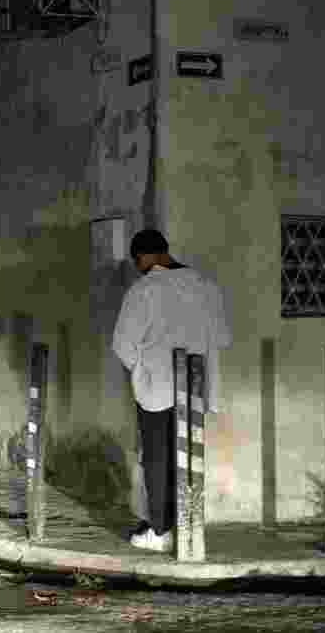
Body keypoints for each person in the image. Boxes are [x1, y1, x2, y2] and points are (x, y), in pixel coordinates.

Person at [112, 229, 231, 552]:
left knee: (157, 459)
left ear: (145, 256)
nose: (140, 268)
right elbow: (222, 338)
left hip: (156, 389)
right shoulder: (207, 287)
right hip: (196, 387)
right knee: (190, 457)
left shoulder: (144, 290)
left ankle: (161, 530)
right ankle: (188, 526)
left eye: (139, 261)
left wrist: (143, 369)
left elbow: (123, 346)